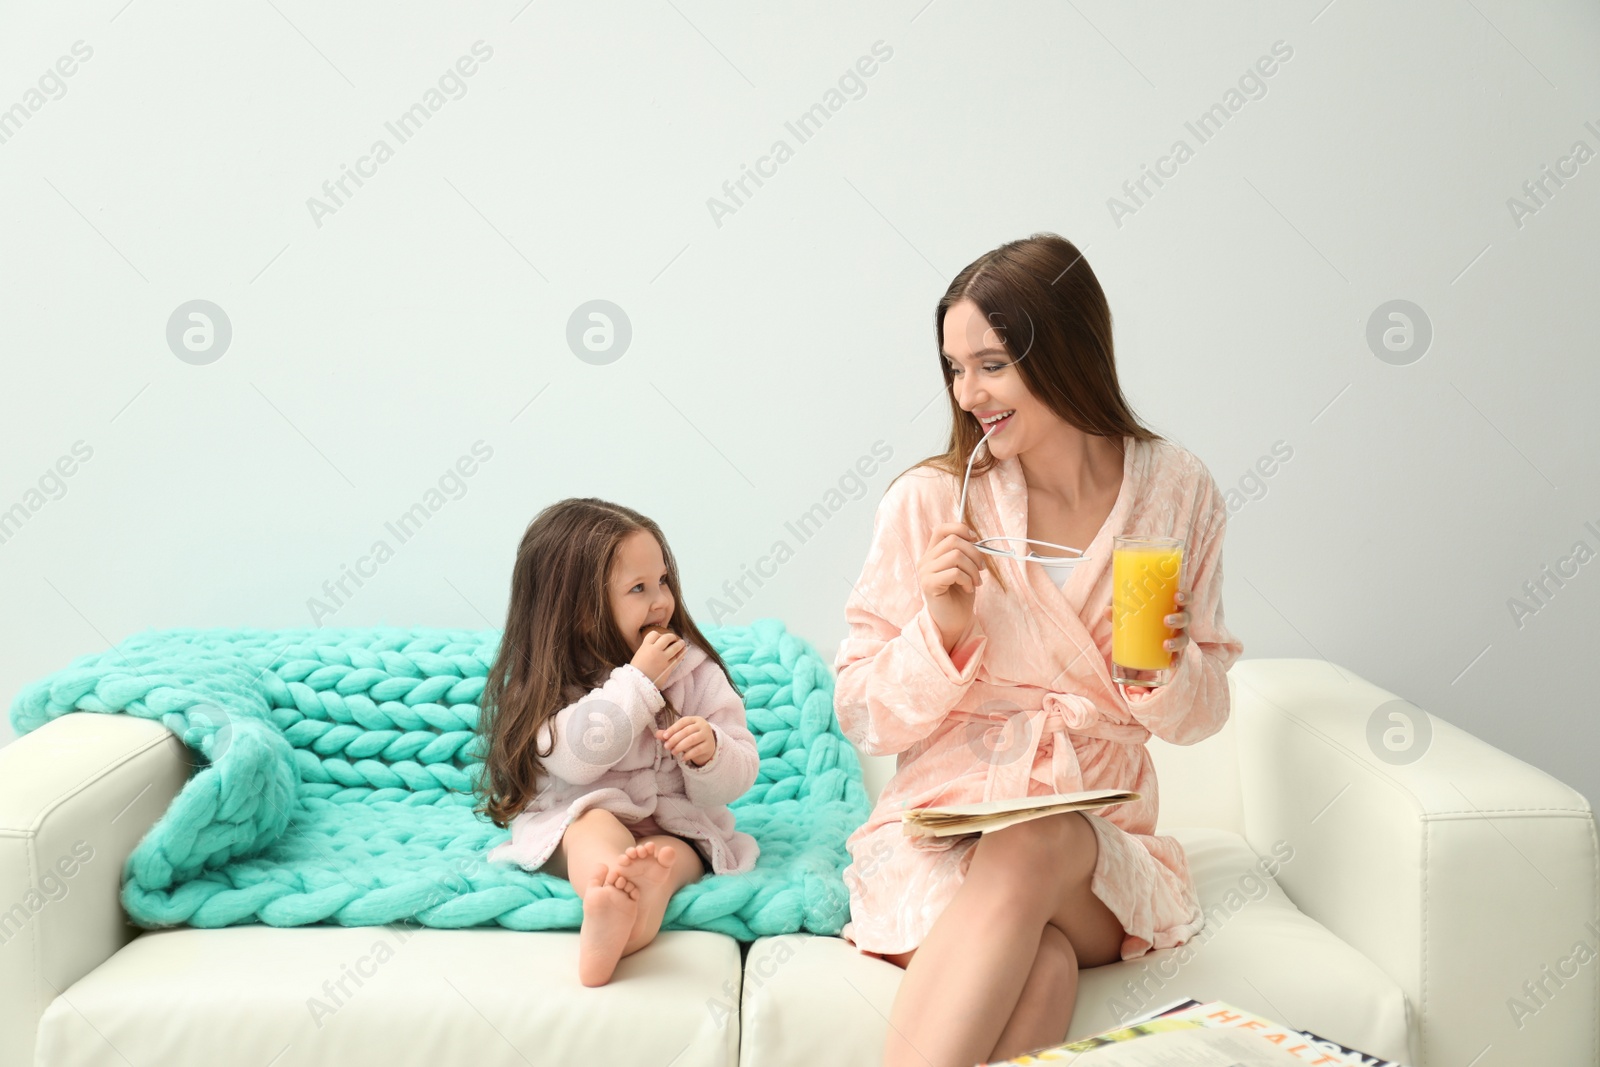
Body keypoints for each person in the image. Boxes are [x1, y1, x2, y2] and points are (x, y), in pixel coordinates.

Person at [834, 232, 1244, 1066]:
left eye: (991, 363)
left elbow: (1205, 714)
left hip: (1094, 835)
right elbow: (863, 714)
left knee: (1036, 837)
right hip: (941, 837)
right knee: (1045, 964)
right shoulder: (932, 501)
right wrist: (941, 629)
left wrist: (1165, 671)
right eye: (954, 367)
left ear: (1063, 348)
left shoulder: (1176, 490)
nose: (968, 391)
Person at [474, 497, 760, 986]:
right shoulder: (553, 680)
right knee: (594, 829)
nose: (661, 602)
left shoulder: (693, 671)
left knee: (674, 857)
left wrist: (712, 753)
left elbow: (735, 777)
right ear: (580, 611)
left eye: (664, 581)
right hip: (578, 819)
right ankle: (608, 885)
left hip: (674, 825)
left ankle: (631, 913)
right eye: (639, 588)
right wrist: (639, 683)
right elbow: (576, 760)